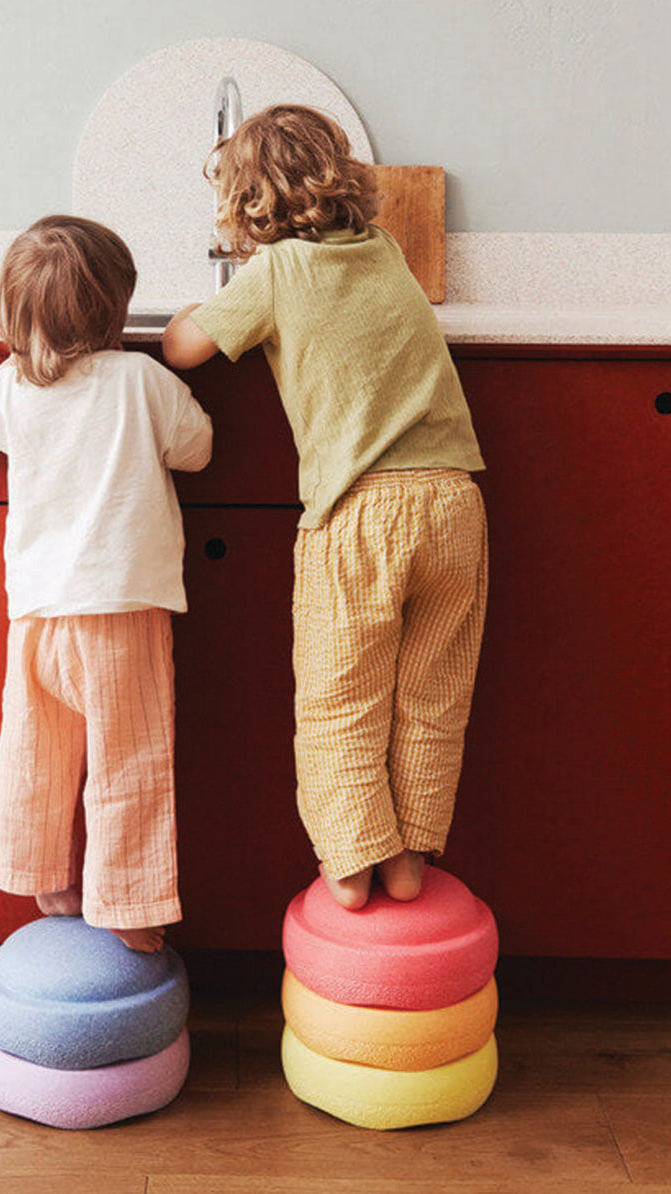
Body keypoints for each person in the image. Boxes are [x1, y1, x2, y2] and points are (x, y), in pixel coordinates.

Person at [163, 105, 487, 911]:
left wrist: (198, 307)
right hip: (454, 503)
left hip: (361, 516)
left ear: (247, 204)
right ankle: (408, 860)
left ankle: (349, 868)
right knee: (430, 696)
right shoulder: (385, 251)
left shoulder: (276, 275)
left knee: (341, 699)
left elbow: (182, 348)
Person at [0, 215, 212, 951]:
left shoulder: (12, 386)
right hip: (122, 609)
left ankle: (44, 875)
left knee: (37, 749)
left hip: (36, 614)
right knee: (130, 760)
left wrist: (15, 366)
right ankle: (130, 905)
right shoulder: (143, 381)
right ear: (117, 307)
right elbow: (198, 448)